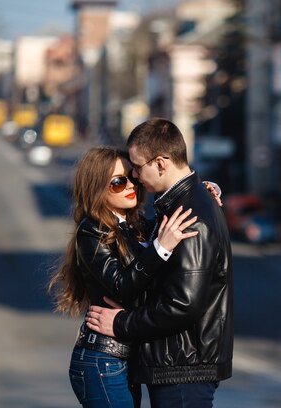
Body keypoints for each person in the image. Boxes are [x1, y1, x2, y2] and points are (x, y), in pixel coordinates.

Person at [85, 118, 234, 408]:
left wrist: (121, 324)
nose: (136, 178)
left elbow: (183, 304)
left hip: (181, 368)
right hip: (176, 363)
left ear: (161, 163)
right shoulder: (179, 207)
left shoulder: (189, 217)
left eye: (138, 168)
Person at [46, 147, 204, 407]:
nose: (131, 185)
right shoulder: (92, 230)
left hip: (126, 359)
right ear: (98, 188)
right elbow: (121, 287)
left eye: (133, 176)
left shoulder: (136, 225)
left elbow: (174, 215)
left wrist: (201, 193)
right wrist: (160, 249)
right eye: (119, 182)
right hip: (102, 360)